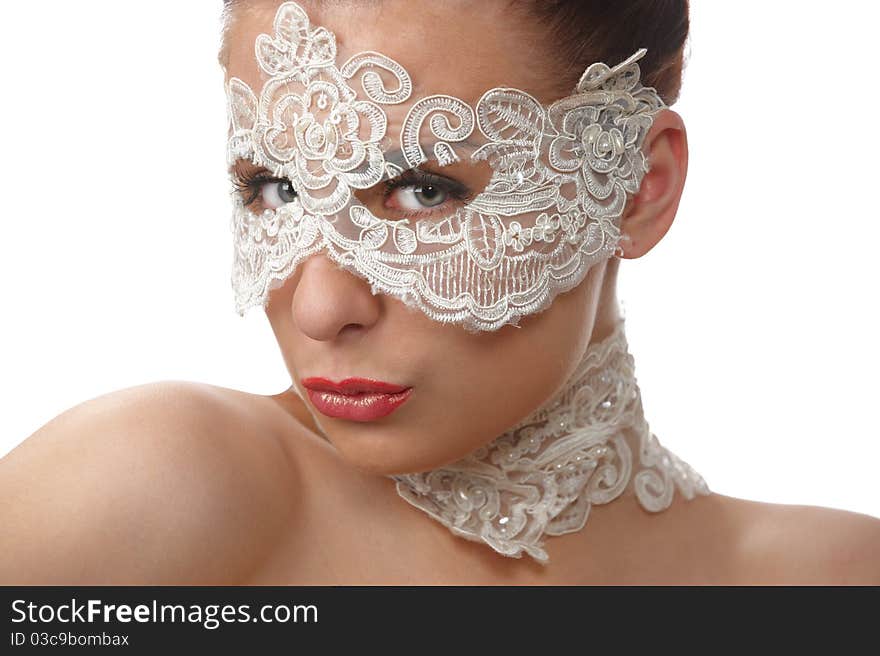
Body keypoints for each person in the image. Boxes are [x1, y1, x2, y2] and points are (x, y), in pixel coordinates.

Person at [1, 0, 878, 585]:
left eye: (422, 189)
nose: (317, 306)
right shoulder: (160, 484)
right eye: (276, 185)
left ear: (638, 186)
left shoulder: (838, 576)